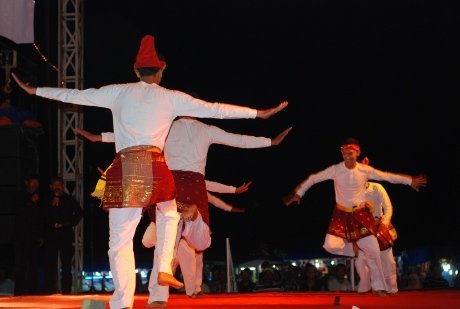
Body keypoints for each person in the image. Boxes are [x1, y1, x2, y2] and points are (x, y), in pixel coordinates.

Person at [12, 34, 288, 309]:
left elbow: (76, 95)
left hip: (126, 168)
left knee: (120, 241)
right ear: (162, 69)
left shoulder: (118, 91)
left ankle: (122, 303)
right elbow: (215, 109)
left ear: (135, 70)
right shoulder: (171, 98)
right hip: (156, 167)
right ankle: (166, 262)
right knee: (168, 213)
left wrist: (35, 91)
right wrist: (257, 113)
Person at [283, 137, 427, 295]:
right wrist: (299, 193)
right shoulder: (336, 169)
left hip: (360, 215)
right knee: (330, 245)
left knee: (373, 252)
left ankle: (379, 287)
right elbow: (313, 178)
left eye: (350, 153)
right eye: (344, 153)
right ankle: (356, 249)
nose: (347, 156)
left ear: (358, 152)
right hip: (341, 215)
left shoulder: (365, 171)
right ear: (341, 153)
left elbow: (387, 176)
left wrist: (410, 181)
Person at [355, 180, 399, 294]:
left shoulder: (377, 187)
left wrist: (384, 224)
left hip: (379, 225)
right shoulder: (351, 192)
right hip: (363, 230)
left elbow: (388, 208)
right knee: (361, 261)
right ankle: (368, 287)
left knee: (387, 261)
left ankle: (391, 289)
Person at [41, 176, 83, 294]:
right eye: (55, 185)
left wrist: (67, 223)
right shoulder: (46, 200)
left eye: (59, 185)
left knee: (66, 265)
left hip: (65, 235)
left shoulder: (69, 199)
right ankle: (49, 290)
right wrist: (51, 204)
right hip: (50, 236)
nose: (57, 187)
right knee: (50, 265)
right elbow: (41, 216)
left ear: (63, 186)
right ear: (51, 187)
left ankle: (66, 291)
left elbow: (79, 213)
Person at [13, 174, 44, 295]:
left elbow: (41, 218)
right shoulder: (20, 195)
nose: (35, 185)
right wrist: (30, 202)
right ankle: (19, 292)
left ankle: (32, 292)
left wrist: (41, 236)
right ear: (27, 183)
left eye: (37, 183)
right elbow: (18, 211)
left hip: (34, 237)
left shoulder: (40, 198)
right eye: (33, 182)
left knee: (33, 265)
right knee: (20, 265)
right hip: (21, 237)